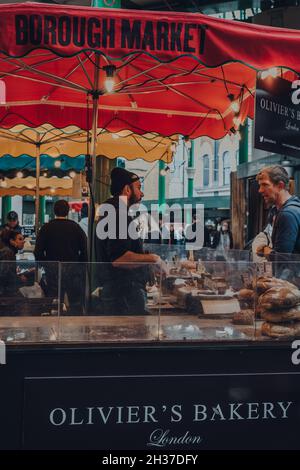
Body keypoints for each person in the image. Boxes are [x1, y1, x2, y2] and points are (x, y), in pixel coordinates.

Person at [95, 167, 165, 315]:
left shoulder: (113, 210)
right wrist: (154, 259)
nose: (142, 193)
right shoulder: (118, 212)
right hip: (123, 295)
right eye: (138, 188)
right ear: (127, 189)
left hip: (118, 292)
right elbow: (119, 259)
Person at [34, 199, 87, 312]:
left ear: (54, 211)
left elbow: (37, 252)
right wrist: (79, 265)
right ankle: (76, 325)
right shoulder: (76, 227)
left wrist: (46, 264)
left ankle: (54, 326)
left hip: (53, 271)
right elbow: (85, 250)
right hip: (72, 270)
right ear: (67, 211)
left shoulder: (46, 228)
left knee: (55, 302)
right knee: (75, 303)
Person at [256, 165, 300, 260]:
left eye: (265, 185)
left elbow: (282, 260)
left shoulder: (288, 214)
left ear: (280, 186)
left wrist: (266, 250)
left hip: (292, 275)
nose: (260, 190)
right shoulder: (284, 210)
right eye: (260, 185)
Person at [0, 229, 25, 297]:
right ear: (12, 241)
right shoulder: (8, 253)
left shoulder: (9, 252)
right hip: (6, 292)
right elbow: (4, 275)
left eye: (23, 239)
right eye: (20, 239)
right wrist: (18, 278)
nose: (23, 241)